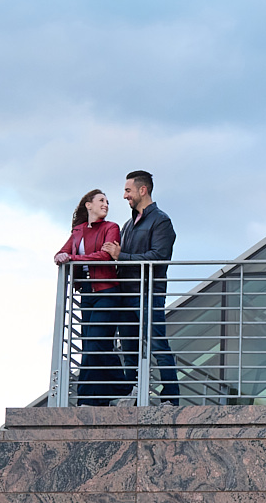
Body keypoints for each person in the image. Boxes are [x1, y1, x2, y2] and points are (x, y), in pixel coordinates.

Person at [103, 169, 180, 404]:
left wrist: (121, 255)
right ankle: (133, 391)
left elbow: (159, 256)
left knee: (157, 342)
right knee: (127, 344)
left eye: (128, 190)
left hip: (148, 293)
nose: (125, 195)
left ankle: (171, 396)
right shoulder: (128, 225)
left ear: (142, 190)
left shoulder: (161, 220)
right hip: (126, 293)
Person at [54, 189, 123, 406]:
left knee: (95, 344)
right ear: (88, 205)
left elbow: (105, 256)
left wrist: (72, 257)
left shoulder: (111, 227)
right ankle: (99, 399)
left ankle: (121, 387)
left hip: (107, 291)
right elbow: (60, 254)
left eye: (107, 202)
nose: (106, 204)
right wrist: (61, 256)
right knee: (91, 345)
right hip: (87, 293)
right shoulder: (78, 231)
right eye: (101, 201)